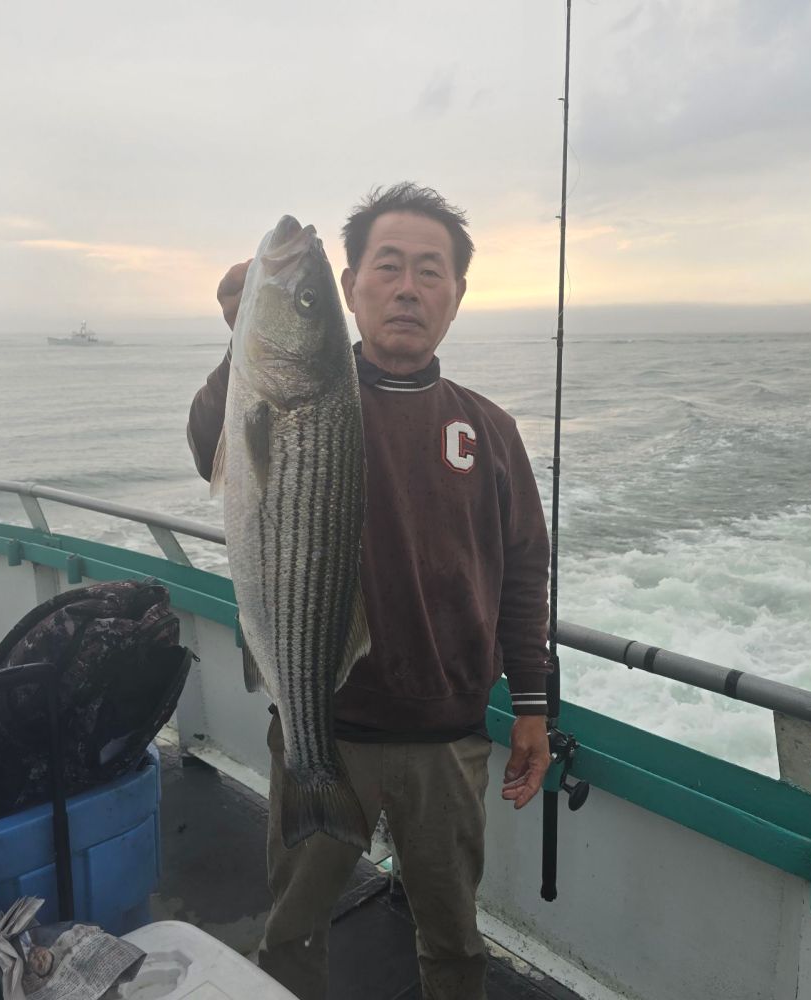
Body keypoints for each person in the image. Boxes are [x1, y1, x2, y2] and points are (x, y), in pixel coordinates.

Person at [187, 182, 552, 1000]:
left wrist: (532, 703)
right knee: (291, 934)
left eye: (431, 271)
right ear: (350, 290)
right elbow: (211, 442)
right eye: (387, 266)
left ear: (458, 297)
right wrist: (240, 336)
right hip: (326, 724)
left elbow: (526, 569)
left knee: (455, 943)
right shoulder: (294, 394)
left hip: (448, 739)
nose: (408, 288)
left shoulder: (489, 429)